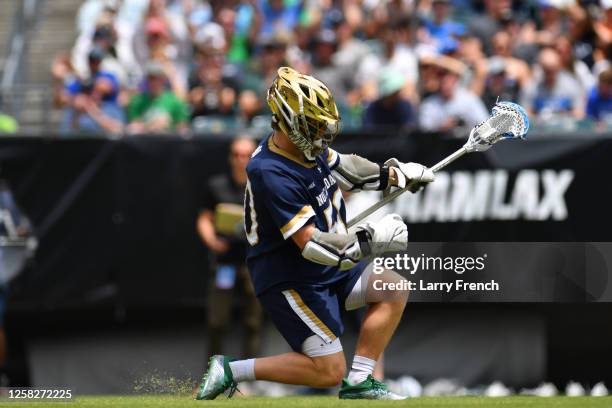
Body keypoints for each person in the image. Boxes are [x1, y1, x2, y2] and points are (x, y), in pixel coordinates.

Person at [196, 66, 434, 400]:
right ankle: (231, 371)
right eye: (314, 125)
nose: (322, 133)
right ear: (291, 123)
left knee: (393, 289)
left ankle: (361, 382)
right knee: (328, 371)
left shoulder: (302, 145)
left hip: (323, 268)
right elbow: (309, 243)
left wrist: (393, 175)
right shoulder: (271, 172)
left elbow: (346, 167)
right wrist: (369, 239)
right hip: (290, 278)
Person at [197, 137, 263, 365]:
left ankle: (249, 375)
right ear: (230, 157)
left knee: (253, 320)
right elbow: (204, 219)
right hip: (224, 261)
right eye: (236, 154)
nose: (240, 159)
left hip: (253, 262)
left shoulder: (263, 187)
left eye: (245, 154)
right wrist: (212, 240)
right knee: (217, 320)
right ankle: (213, 372)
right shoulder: (217, 186)